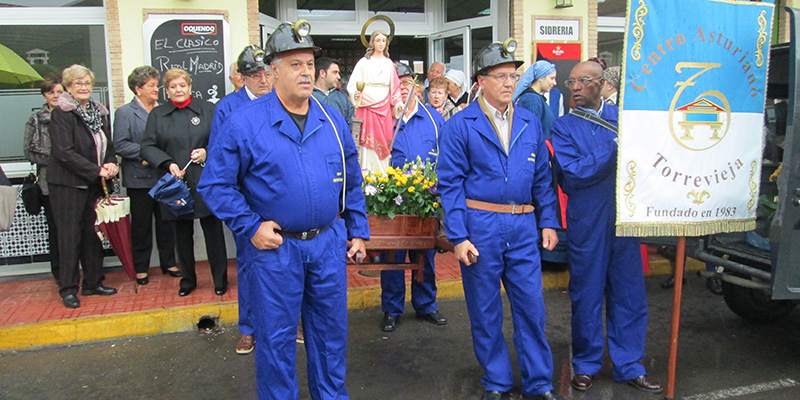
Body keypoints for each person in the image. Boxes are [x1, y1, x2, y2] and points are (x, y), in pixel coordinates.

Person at [197, 22, 369, 400]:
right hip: (276, 249)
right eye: (295, 64)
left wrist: (357, 229)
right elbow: (215, 185)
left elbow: (351, 179)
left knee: (330, 336)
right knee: (276, 341)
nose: (306, 72)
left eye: (309, 64)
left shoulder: (332, 119)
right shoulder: (244, 122)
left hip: (327, 244)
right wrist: (250, 226)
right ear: (272, 71)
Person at [438, 41, 564, 400]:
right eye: (501, 76)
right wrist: (458, 236)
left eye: (513, 75)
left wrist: (549, 221)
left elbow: (542, 178)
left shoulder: (529, 121)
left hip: (522, 226)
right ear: (481, 81)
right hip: (481, 227)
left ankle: (539, 383)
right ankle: (496, 381)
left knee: (532, 308)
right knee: (485, 310)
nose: (509, 82)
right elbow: (450, 184)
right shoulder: (460, 125)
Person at [550, 61, 663, 394]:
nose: (575, 87)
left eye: (583, 81)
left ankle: (630, 365)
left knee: (629, 294)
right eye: (571, 82)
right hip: (588, 218)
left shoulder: (623, 119)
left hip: (625, 217)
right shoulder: (564, 126)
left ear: (601, 83)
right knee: (586, 293)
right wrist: (613, 147)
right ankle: (586, 364)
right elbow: (575, 172)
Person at [140, 67, 228, 298]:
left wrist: (207, 151)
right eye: (173, 87)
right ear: (166, 90)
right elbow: (147, 146)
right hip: (176, 184)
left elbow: (223, 140)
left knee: (214, 233)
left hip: (206, 182)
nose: (178, 90)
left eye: (182, 85)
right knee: (181, 236)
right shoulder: (157, 115)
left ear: (190, 87)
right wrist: (167, 163)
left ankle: (220, 280)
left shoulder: (208, 109)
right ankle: (188, 280)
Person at [209, 44, 273, 356]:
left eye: (266, 73)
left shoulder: (281, 102)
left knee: (288, 268)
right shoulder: (228, 108)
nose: (263, 80)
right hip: (247, 206)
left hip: (278, 201)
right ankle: (248, 328)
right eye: (255, 75)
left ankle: (291, 322)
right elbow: (220, 164)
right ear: (242, 78)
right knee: (249, 266)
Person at [380, 62, 447, 332]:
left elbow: (447, 156)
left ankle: (426, 305)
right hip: (392, 202)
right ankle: (391, 309)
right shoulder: (384, 118)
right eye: (399, 84)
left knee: (425, 255)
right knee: (393, 257)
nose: (404, 89)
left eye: (408, 83)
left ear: (417, 87)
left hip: (425, 200)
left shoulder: (433, 118)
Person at [49, 64, 118, 309]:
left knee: (92, 235)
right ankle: (68, 289)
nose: (83, 87)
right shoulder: (62, 113)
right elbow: (64, 153)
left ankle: (93, 282)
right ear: (68, 87)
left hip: (93, 185)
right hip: (67, 186)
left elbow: (107, 144)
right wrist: (95, 170)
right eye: (78, 83)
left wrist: (111, 163)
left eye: (87, 83)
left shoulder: (98, 112)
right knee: (69, 237)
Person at [113, 66, 180, 286]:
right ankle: (141, 267)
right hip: (139, 179)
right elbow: (120, 145)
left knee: (166, 222)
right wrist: (149, 155)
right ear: (137, 89)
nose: (156, 89)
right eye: (151, 85)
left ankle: (169, 263)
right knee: (141, 226)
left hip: (164, 177)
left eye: (156, 85)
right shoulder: (125, 113)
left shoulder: (163, 110)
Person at [23, 74, 63, 281]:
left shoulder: (72, 116)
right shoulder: (36, 120)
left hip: (75, 181)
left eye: (59, 91)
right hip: (49, 183)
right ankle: (59, 272)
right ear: (44, 95)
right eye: (50, 92)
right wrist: (60, 157)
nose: (55, 96)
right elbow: (29, 151)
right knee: (55, 230)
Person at [347, 29, 403, 173]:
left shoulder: (389, 64)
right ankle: (367, 173)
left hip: (384, 105)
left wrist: (398, 104)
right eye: (378, 40)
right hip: (366, 104)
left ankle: (382, 174)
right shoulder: (363, 63)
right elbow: (352, 85)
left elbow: (395, 87)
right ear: (372, 42)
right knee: (367, 142)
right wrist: (358, 94)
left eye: (383, 40)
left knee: (384, 138)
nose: (381, 43)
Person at [513, 60, 558, 139]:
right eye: (552, 78)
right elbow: (531, 133)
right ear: (541, 78)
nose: (554, 83)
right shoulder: (531, 99)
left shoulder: (535, 98)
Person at [313, 56, 355, 125]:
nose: (339, 77)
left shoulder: (343, 97)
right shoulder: (308, 97)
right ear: (322, 73)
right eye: (335, 72)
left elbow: (351, 123)